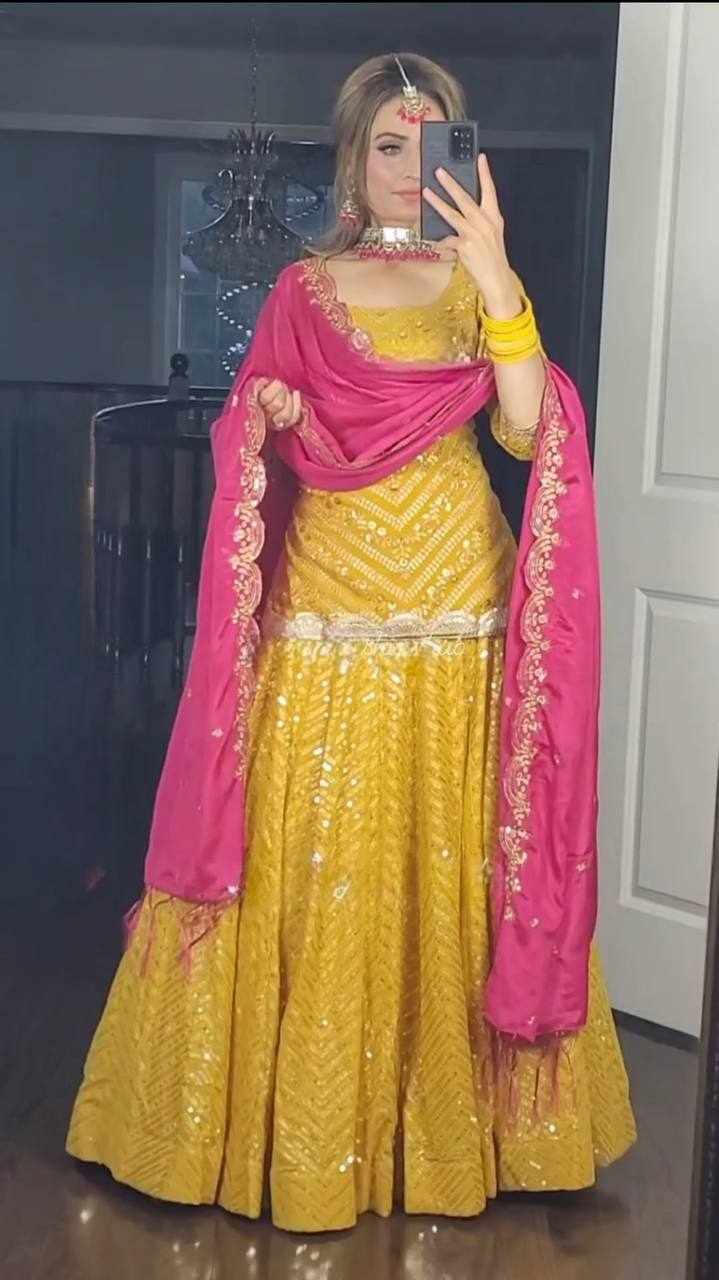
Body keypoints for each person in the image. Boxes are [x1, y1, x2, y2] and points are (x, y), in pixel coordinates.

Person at [66, 52, 637, 1233]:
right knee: (314, 847)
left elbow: (526, 429)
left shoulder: (478, 283)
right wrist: (267, 412)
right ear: (350, 159)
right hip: (327, 606)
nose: (404, 167)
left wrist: (494, 273)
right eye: (385, 144)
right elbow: (255, 424)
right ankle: (302, 1140)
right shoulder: (301, 288)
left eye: (427, 143)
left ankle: (462, 1139)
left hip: (458, 608)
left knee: (451, 854)